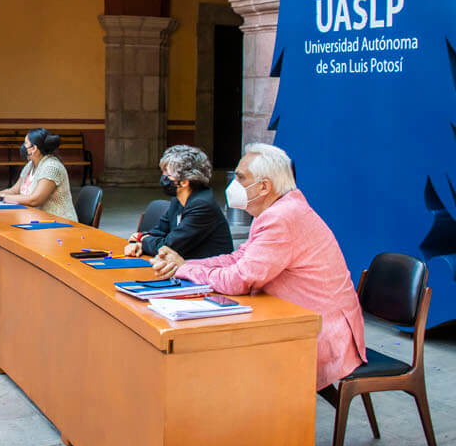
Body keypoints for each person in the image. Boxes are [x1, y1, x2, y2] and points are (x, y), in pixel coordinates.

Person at [152, 143, 365, 393]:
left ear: (264, 186)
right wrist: (186, 264)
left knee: (224, 361)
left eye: (241, 178)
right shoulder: (277, 210)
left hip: (322, 333)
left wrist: (183, 269)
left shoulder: (282, 217)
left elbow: (239, 279)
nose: (233, 185)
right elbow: (239, 257)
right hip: (298, 320)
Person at [124, 145, 234, 260]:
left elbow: (169, 247)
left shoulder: (202, 206)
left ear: (184, 182)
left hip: (207, 272)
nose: (163, 177)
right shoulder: (178, 200)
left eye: (167, 174)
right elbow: (160, 230)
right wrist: (139, 242)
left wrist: (143, 239)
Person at [0, 128, 77, 222]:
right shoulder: (30, 165)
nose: (23, 147)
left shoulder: (52, 167)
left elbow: (35, 200)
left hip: (59, 223)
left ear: (34, 148)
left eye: (25, 144)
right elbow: (14, 191)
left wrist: (1, 197)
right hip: (37, 220)